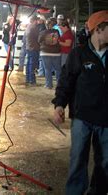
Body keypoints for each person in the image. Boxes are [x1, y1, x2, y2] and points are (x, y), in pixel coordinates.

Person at [52, 10, 108, 195]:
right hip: (82, 117)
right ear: (98, 29)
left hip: (106, 118)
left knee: (105, 161)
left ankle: (97, 191)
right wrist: (59, 104)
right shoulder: (79, 54)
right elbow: (66, 81)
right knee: (78, 159)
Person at [38, 18, 61, 89]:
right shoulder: (57, 31)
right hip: (56, 53)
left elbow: (39, 40)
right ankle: (59, 84)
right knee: (58, 69)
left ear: (46, 25)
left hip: (45, 52)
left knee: (47, 69)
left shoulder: (43, 32)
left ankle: (49, 85)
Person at [25, 15, 40, 86]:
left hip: (29, 47)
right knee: (32, 65)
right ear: (34, 21)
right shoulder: (34, 28)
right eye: (37, 20)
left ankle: (28, 79)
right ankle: (32, 80)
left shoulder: (28, 27)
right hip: (34, 48)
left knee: (28, 64)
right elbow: (39, 38)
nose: (38, 22)